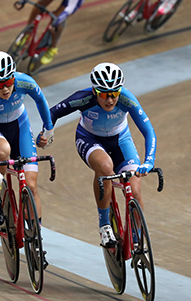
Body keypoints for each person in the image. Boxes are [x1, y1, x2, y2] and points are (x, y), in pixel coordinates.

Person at [38, 62, 157, 248]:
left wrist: (149, 161)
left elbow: (149, 132)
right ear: (94, 91)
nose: (110, 100)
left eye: (114, 94)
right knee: (105, 167)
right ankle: (104, 226)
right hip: (90, 138)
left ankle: (137, 236)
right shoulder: (83, 98)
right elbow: (52, 112)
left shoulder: (127, 99)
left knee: (134, 189)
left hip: (121, 141)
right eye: (104, 94)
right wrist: (47, 134)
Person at [0, 51, 54, 267]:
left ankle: (36, 239)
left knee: (30, 185)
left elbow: (41, 101)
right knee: (3, 152)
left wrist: (48, 129)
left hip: (20, 126)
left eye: (9, 82)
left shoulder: (25, 82)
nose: (5, 88)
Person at [14, 0, 89, 65]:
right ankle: (27, 33)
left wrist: (57, 21)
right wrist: (23, 0)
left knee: (56, 19)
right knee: (39, 5)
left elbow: (70, 8)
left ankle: (52, 48)